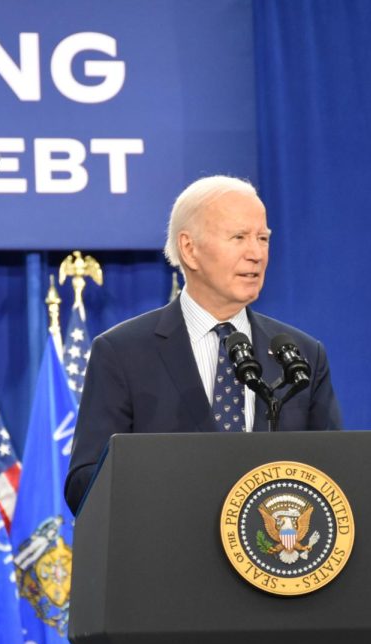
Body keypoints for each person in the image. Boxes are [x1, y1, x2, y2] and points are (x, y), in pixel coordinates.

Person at [64, 176, 342, 513]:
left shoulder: (301, 355)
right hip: (167, 554)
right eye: (239, 237)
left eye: (263, 238)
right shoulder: (123, 352)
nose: (256, 254)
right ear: (189, 249)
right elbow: (85, 482)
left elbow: (334, 474)